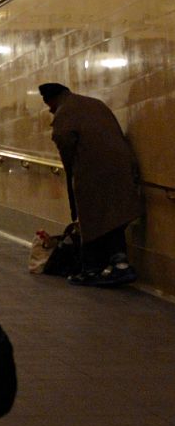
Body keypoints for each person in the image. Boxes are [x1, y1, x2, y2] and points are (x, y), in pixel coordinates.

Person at [39, 83, 142, 286]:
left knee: (93, 219)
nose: (49, 109)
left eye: (48, 104)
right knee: (112, 217)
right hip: (121, 168)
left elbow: (64, 140)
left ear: (51, 100)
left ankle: (96, 268)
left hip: (94, 172)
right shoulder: (94, 104)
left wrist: (70, 168)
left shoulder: (65, 111)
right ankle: (114, 265)